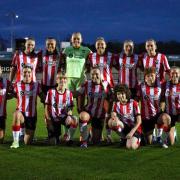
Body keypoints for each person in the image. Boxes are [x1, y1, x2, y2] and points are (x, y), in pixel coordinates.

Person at [77, 66, 112, 148]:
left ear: (101, 74)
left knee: (96, 141)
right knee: (83, 116)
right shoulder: (87, 83)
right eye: (92, 74)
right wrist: (67, 91)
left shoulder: (106, 84)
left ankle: (89, 132)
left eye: (97, 74)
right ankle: (84, 141)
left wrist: (109, 113)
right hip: (89, 112)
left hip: (100, 115)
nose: (94, 76)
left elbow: (111, 99)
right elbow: (77, 93)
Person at [136, 67, 171, 146]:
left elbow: (163, 98)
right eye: (148, 76)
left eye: (152, 75)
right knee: (149, 142)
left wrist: (162, 107)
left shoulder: (160, 86)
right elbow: (136, 101)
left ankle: (163, 140)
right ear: (145, 78)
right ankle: (150, 135)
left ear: (155, 76)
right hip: (146, 117)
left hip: (157, 115)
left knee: (167, 118)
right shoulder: (141, 87)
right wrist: (137, 115)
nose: (150, 78)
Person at [10, 65, 43, 148]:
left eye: (29, 72)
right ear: (22, 73)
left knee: (27, 142)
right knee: (16, 114)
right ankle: (15, 142)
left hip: (32, 116)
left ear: (32, 73)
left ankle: (23, 131)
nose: (27, 74)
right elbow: (12, 95)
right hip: (21, 114)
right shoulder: (17, 85)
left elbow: (44, 97)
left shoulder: (37, 85)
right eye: (25, 72)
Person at [45, 72, 78, 145]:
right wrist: (48, 120)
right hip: (53, 119)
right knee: (53, 143)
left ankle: (69, 138)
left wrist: (69, 111)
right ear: (56, 80)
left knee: (74, 119)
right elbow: (46, 107)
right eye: (60, 78)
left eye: (64, 78)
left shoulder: (69, 93)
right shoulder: (50, 92)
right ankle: (55, 135)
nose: (62, 80)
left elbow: (70, 106)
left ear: (66, 80)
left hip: (63, 118)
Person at [108, 84, 142, 150]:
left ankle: (140, 139)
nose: (120, 96)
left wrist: (131, 132)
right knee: (111, 122)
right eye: (118, 94)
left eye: (122, 93)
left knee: (131, 147)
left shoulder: (134, 103)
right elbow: (113, 114)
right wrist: (115, 118)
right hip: (124, 128)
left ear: (126, 93)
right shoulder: (116, 104)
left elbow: (139, 121)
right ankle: (123, 138)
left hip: (134, 129)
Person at [161, 66, 180, 145]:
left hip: (179, 113)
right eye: (172, 73)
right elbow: (161, 99)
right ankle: (173, 131)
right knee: (170, 143)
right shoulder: (165, 85)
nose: (174, 75)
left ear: (179, 74)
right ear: (169, 74)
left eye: (176, 73)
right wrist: (162, 112)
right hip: (169, 114)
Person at [0, 66, 11, 143]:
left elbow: (14, 93)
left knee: (1, 140)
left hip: (1, 114)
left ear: (1, 70)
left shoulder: (6, 82)